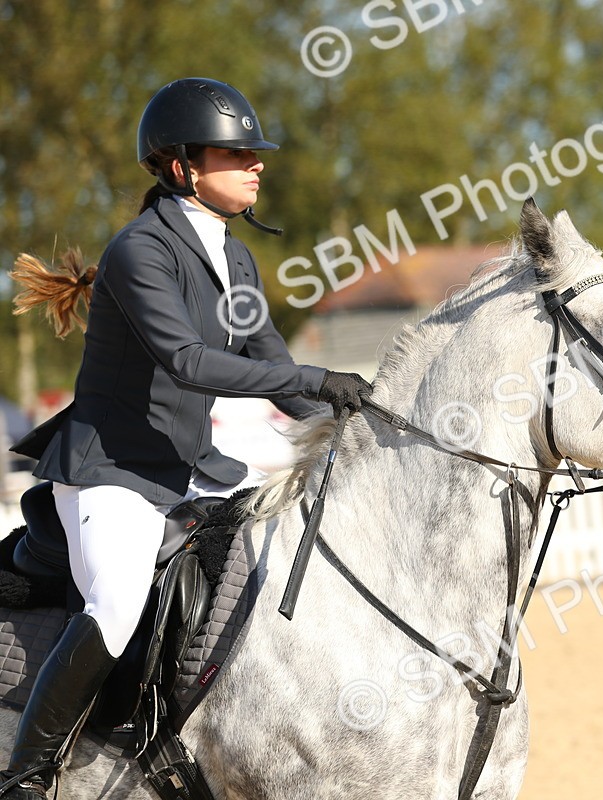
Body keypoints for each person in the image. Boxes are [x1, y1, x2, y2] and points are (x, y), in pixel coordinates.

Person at [2, 78, 372, 798]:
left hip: (193, 466)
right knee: (117, 604)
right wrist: (324, 378)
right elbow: (187, 360)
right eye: (235, 153)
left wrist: (354, 418)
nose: (256, 164)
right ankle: (27, 774)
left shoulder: (234, 260)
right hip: (113, 471)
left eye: (255, 153)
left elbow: (272, 367)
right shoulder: (142, 251)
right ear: (183, 169)